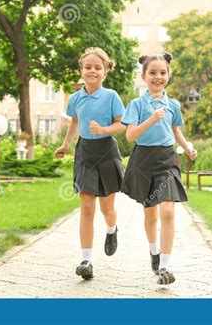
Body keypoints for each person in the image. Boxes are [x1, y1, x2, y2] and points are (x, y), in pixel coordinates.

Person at [121, 53, 197, 285]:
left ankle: (165, 266)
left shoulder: (173, 104)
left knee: (168, 211)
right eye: (152, 72)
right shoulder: (136, 104)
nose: (158, 77)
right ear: (144, 76)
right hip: (143, 160)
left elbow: (175, 130)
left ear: (168, 76)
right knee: (151, 213)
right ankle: (154, 251)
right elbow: (130, 135)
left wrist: (187, 147)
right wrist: (152, 119)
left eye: (162, 72)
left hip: (167, 159)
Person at [54, 47, 125, 280]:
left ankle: (112, 229)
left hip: (107, 151)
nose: (92, 71)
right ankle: (86, 261)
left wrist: (104, 129)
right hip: (84, 152)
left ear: (105, 72)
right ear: (81, 70)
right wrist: (66, 145)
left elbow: (121, 124)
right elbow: (75, 122)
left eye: (97, 67)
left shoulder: (111, 96)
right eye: (88, 67)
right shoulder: (75, 98)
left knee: (107, 209)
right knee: (86, 207)